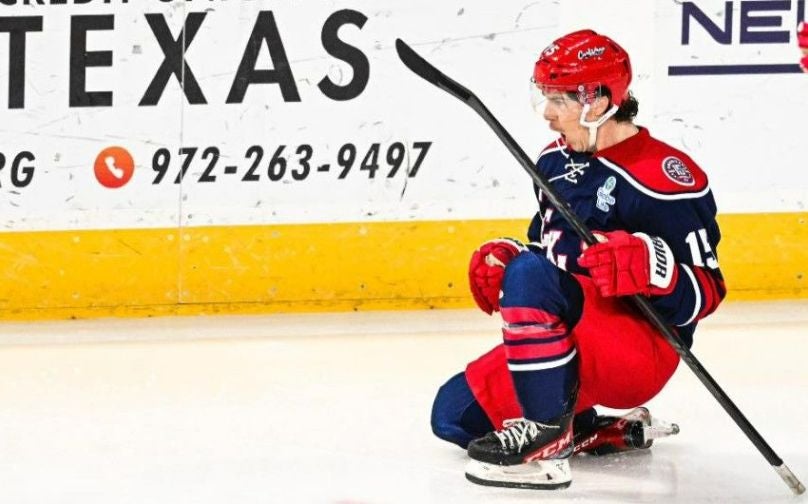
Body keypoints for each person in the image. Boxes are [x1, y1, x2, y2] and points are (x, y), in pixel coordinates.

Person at [430, 29, 726, 490]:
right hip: (571, 337)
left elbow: (708, 291)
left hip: (638, 346)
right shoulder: (553, 161)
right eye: (544, 97)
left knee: (530, 276)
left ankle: (544, 440)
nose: (548, 114)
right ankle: (598, 431)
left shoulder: (664, 178)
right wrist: (509, 254)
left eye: (561, 100)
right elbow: (546, 251)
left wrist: (656, 269)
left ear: (601, 100)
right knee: (453, 416)